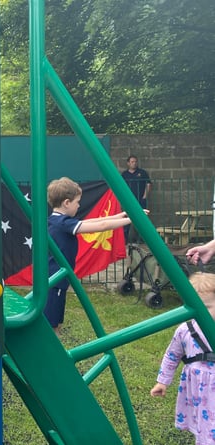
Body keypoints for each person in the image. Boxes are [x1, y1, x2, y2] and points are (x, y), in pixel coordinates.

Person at [45, 177, 147, 332]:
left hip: (58, 279)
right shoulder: (63, 224)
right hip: (55, 281)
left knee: (56, 323)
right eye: (77, 202)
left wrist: (122, 215)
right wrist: (132, 219)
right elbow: (101, 226)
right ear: (66, 203)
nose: (79, 206)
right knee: (51, 326)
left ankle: (57, 350)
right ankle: (52, 353)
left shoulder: (56, 220)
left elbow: (94, 221)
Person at [150, 272, 215, 444]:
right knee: (204, 426)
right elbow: (172, 356)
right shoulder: (185, 330)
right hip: (199, 390)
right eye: (194, 308)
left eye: (207, 308)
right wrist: (162, 381)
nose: (200, 314)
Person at [121, 154, 151, 243]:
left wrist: (145, 196)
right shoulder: (124, 174)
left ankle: (141, 239)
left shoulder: (142, 172)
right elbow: (121, 187)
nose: (134, 163)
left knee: (142, 220)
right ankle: (125, 240)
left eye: (135, 162)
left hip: (140, 200)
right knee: (126, 219)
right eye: (132, 162)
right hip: (128, 201)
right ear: (128, 163)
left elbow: (148, 184)